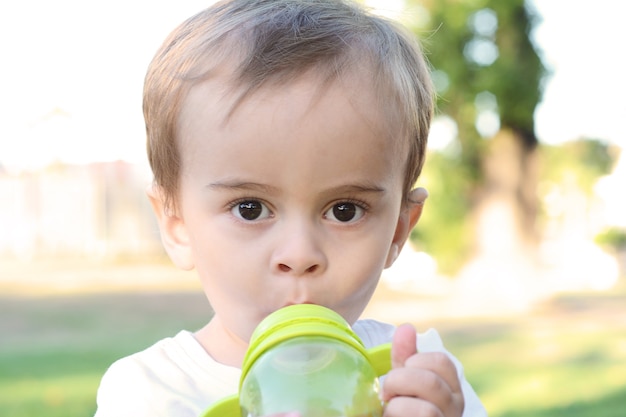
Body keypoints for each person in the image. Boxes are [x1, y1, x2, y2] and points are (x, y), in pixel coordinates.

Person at [95, 0, 487, 416]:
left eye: (345, 211)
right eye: (249, 208)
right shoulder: (151, 394)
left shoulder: (419, 378)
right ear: (177, 226)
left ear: (398, 230)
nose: (299, 255)